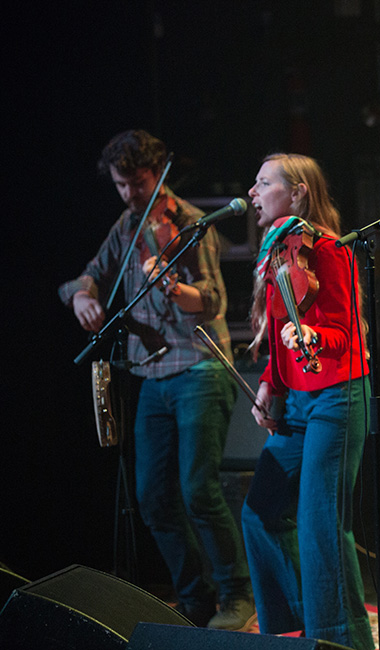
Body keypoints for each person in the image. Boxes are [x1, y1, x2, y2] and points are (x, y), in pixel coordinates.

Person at [58, 129, 254, 629]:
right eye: (121, 185)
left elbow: (211, 300)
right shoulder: (126, 225)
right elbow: (84, 277)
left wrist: (170, 282)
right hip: (152, 373)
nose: (130, 195)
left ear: (158, 173)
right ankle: (195, 599)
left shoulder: (188, 222)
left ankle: (236, 594)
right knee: (152, 497)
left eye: (138, 183)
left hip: (198, 367)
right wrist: (82, 296)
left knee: (197, 489)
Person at [241, 153, 373, 648]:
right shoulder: (278, 250)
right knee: (259, 511)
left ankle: (341, 641)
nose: (252, 192)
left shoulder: (330, 249)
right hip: (298, 404)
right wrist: (270, 383)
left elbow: (347, 334)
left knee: (320, 526)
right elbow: (277, 331)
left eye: (262, 183)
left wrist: (315, 336)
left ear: (296, 193)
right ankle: (295, 623)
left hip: (338, 397)